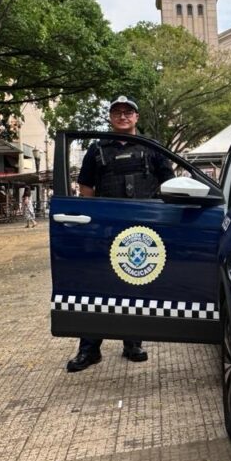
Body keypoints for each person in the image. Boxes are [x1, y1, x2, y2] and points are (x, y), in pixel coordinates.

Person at [66, 95, 175, 373]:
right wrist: (90, 226)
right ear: (110, 117)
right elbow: (86, 189)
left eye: (128, 112)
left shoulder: (152, 148)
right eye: (117, 112)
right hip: (106, 229)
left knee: (136, 284)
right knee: (97, 288)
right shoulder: (96, 149)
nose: (123, 116)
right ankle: (89, 350)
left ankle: (133, 343)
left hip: (143, 230)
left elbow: (171, 186)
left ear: (136, 117)